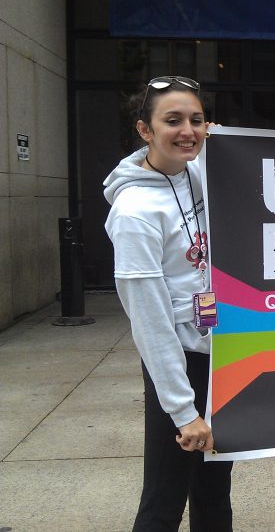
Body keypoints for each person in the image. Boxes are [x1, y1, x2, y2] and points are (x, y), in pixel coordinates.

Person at [104, 76, 233, 531]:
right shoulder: (135, 211)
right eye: (172, 121)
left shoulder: (196, 170)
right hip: (178, 365)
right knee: (163, 500)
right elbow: (149, 321)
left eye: (196, 120)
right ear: (144, 130)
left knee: (214, 494)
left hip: (219, 356)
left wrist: (217, 141)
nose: (188, 131)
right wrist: (183, 410)